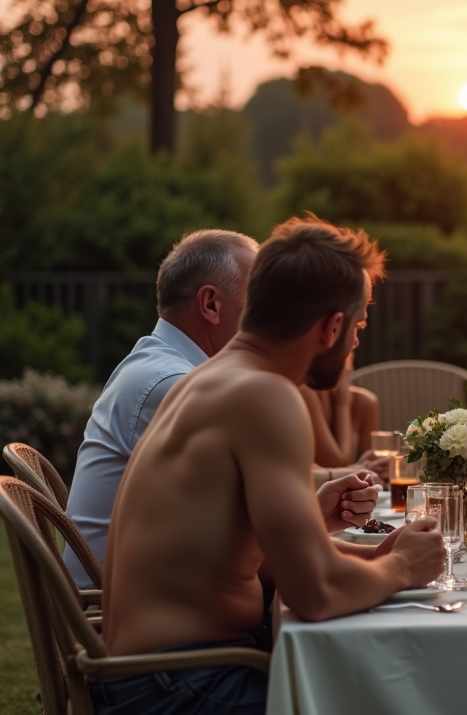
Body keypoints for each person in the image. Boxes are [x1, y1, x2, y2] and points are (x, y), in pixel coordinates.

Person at [94, 216, 447, 715]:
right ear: (332, 327)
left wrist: (374, 556)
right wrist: (403, 566)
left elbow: (265, 560)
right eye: (359, 326)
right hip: (177, 685)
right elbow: (315, 593)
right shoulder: (266, 396)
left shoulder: (214, 378)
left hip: (156, 672)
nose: (356, 344)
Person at [64, 229, 259, 587]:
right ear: (211, 305)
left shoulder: (158, 366)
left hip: (138, 593)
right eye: (258, 299)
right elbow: (246, 530)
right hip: (116, 613)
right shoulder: (172, 384)